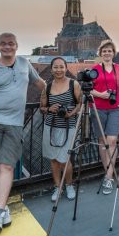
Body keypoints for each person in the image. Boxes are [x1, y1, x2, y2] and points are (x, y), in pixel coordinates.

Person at [0, 33, 45, 233]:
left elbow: (40, 84)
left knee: (7, 166)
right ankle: (1, 210)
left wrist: (48, 99)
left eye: (11, 43)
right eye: (3, 44)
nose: (7, 47)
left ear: (17, 46)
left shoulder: (24, 64)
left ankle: (0, 211)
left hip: (14, 124)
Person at [40, 57, 82, 202]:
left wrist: (72, 112)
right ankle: (58, 187)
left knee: (65, 160)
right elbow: (42, 107)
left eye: (61, 67)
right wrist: (49, 109)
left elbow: (80, 103)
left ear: (66, 68)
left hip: (68, 126)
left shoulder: (73, 84)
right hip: (51, 126)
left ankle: (69, 185)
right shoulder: (48, 86)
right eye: (56, 67)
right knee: (54, 159)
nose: (58, 70)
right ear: (51, 69)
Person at [90, 40, 119, 195]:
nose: (107, 53)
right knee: (102, 141)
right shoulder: (95, 69)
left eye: (109, 51)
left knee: (112, 140)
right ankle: (108, 173)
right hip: (98, 108)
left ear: (113, 53)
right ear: (100, 53)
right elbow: (89, 88)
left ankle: (109, 176)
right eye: (104, 51)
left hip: (115, 108)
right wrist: (101, 95)